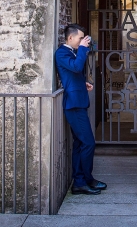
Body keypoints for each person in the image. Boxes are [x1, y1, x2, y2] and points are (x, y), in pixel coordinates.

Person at [55, 24, 107, 195]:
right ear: (70, 38)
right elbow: (76, 67)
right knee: (88, 143)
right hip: (74, 105)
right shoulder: (62, 53)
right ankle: (83, 180)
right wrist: (84, 49)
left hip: (78, 101)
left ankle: (82, 181)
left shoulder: (71, 52)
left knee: (79, 143)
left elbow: (72, 73)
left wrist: (82, 83)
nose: (82, 41)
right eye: (80, 38)